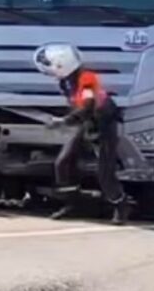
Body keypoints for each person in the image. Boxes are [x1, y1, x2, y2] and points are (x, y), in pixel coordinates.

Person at [34, 44, 129, 225]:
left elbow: (87, 106)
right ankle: (73, 203)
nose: (49, 71)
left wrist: (65, 121)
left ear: (62, 65)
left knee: (105, 172)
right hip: (86, 123)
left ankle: (120, 205)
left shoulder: (86, 79)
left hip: (104, 124)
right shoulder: (66, 82)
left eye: (51, 66)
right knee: (63, 162)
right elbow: (79, 107)